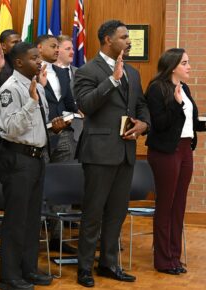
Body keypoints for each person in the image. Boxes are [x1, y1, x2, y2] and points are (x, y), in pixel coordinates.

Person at [74, 20, 150, 287]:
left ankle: (108, 264)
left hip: (126, 151)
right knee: (93, 213)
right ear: (108, 40)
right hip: (99, 152)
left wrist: (143, 124)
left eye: (129, 37)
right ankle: (84, 268)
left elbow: (141, 105)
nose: (129, 41)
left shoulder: (133, 71)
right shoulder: (87, 70)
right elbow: (86, 105)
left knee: (117, 212)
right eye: (123, 37)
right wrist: (111, 81)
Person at [0, 42, 67, 290]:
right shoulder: (9, 89)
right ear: (18, 63)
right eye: (34, 58)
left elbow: (34, 126)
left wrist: (52, 127)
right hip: (17, 159)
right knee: (16, 219)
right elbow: (11, 128)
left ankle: (28, 268)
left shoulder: (35, 86)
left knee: (32, 219)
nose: (40, 62)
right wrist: (31, 102)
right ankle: (9, 276)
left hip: (37, 157)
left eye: (39, 58)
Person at [145, 48, 206, 275]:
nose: (189, 66)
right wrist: (176, 103)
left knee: (178, 206)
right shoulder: (156, 88)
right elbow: (159, 124)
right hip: (165, 152)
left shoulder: (185, 88)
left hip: (185, 149)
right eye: (185, 63)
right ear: (172, 66)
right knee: (165, 205)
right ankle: (163, 260)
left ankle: (174, 257)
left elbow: (189, 121)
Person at [35, 34, 78, 254]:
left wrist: (80, 113)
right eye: (53, 46)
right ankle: (36, 237)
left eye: (57, 47)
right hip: (40, 135)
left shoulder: (62, 72)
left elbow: (68, 102)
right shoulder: (30, 71)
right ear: (39, 48)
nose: (56, 50)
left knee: (63, 186)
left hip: (63, 134)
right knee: (40, 185)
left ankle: (58, 238)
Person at [0, 29, 21, 96]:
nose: (19, 45)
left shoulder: (24, 63)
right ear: (3, 46)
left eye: (20, 42)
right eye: (15, 42)